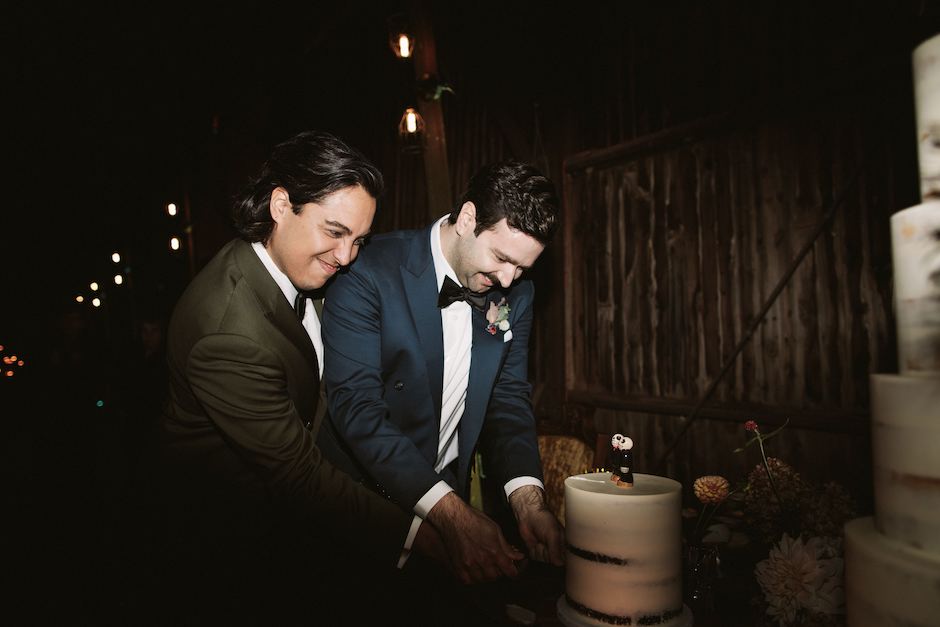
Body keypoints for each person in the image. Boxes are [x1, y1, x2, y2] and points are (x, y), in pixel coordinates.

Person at [157, 130, 441, 624]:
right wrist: (424, 535)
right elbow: (299, 476)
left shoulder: (299, 270)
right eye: (334, 231)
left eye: (359, 240)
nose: (347, 256)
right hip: (231, 546)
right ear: (281, 205)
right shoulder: (228, 333)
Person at [322, 160, 566, 588]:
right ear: (468, 218)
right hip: (358, 514)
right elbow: (357, 411)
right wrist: (451, 513)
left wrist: (529, 503)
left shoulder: (515, 294)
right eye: (502, 258)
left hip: (445, 508)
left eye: (524, 268)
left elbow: (506, 399)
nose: (509, 279)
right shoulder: (369, 272)